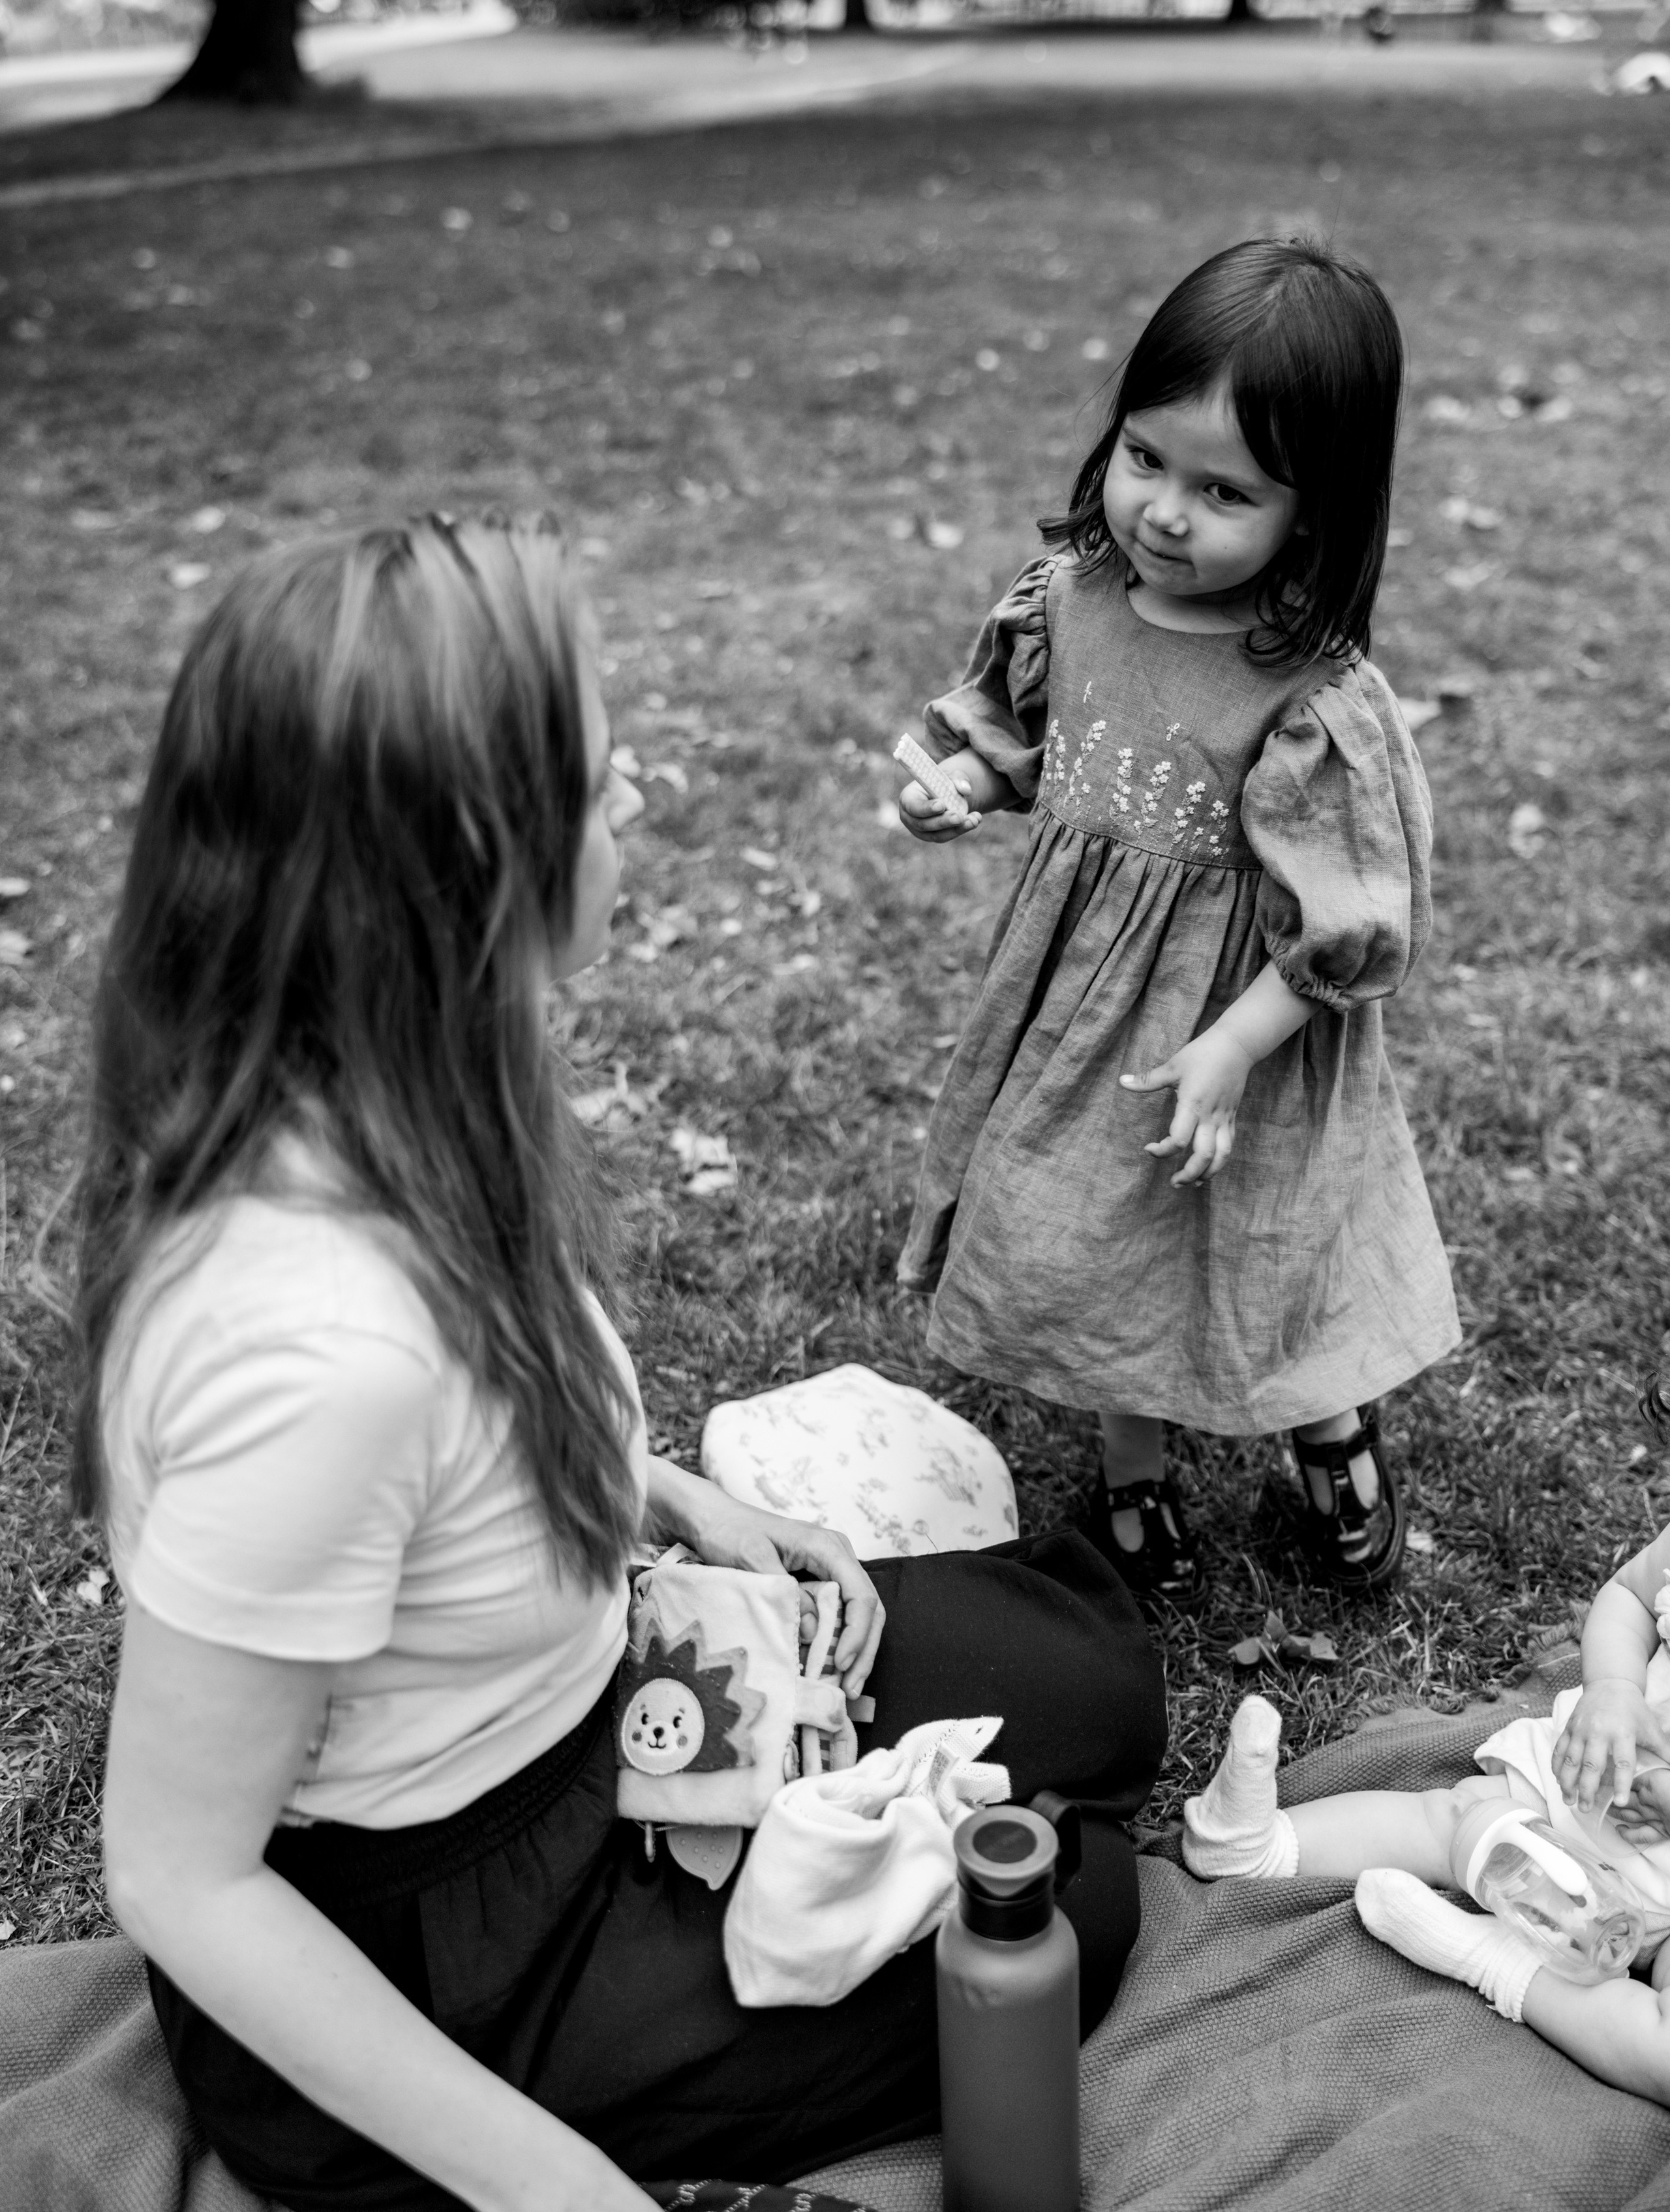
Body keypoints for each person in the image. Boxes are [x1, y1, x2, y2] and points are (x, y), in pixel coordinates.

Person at [81, 513, 1166, 2212]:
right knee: (1070, 1902)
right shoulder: (313, 1346)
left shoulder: (417, 1083)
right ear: (471, 855)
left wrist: (664, 1506)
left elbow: (480, 1429)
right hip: (459, 1928)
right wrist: (554, 2184)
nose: (643, 794)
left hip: (601, 1681)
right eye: (602, 773)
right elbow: (177, 1870)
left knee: (1101, 1680)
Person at [896, 239, 1459, 1609]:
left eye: (1223, 492)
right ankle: (1130, 1473)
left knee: (1265, 1253)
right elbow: (1025, 738)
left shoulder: (1306, 688)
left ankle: (1326, 1433)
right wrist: (960, 785)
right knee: (1084, 1237)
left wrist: (1235, 1039)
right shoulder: (1068, 601)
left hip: (1240, 1030)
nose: (1161, 511)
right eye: (1145, 458)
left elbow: (1353, 919)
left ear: (1310, 515)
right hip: (1076, 1010)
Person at [1181, 1499, 1670, 2104]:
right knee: (1449, 1818)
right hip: (1581, 1785)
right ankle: (1253, 1846)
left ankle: (1494, 1961)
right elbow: (1628, 1596)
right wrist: (1615, 1689)